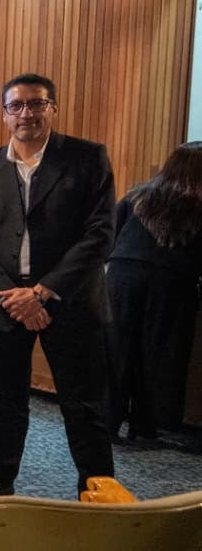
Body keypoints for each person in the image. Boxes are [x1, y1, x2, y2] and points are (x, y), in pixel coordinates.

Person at [0, 73, 116, 510]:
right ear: (4, 114)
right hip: (5, 301)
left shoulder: (87, 158)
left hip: (70, 300)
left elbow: (100, 234)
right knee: (8, 400)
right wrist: (14, 295)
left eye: (36, 104)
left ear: (53, 108)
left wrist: (44, 292)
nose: (26, 113)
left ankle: (99, 491)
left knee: (83, 405)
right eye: (16, 106)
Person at [105, 142, 202, 441]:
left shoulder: (137, 195)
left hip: (122, 274)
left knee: (118, 349)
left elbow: (111, 234)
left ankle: (108, 422)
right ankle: (146, 425)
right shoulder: (196, 202)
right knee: (157, 353)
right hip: (170, 281)